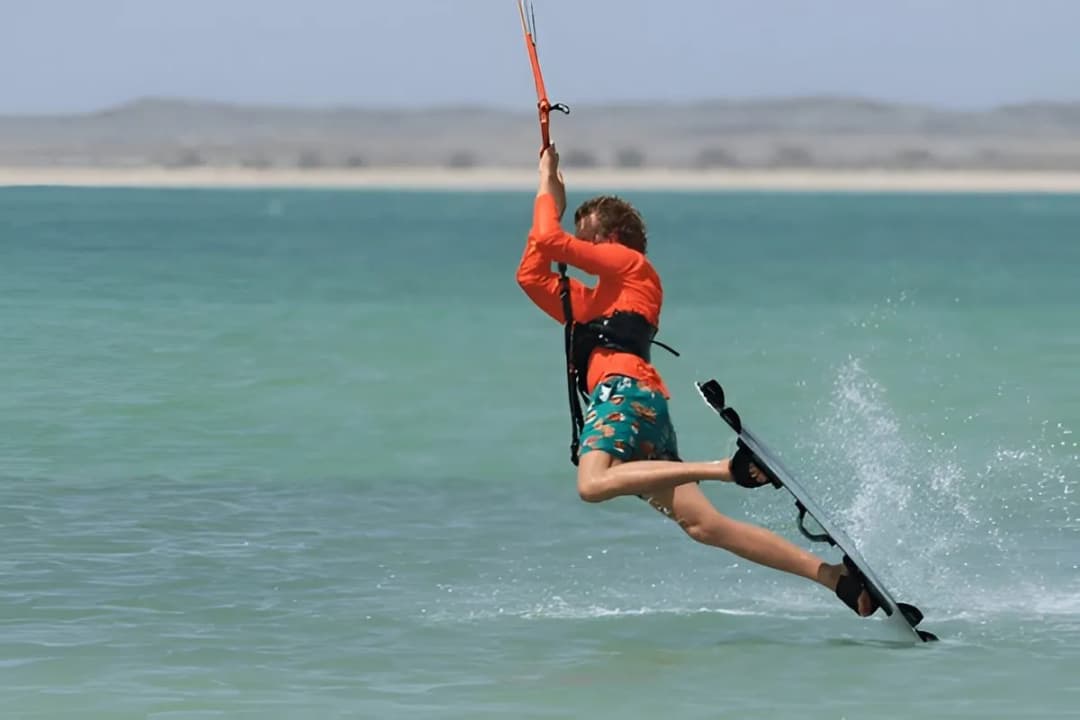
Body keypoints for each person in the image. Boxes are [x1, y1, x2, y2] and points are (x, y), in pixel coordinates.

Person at [515, 145, 878, 617]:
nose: (580, 250)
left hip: (622, 397)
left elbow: (550, 243)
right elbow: (530, 273)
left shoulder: (633, 268)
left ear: (615, 239)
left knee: (592, 484)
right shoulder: (590, 303)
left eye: (588, 240)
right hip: (642, 404)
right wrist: (554, 209)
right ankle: (835, 578)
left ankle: (726, 469)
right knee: (706, 527)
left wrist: (547, 186)